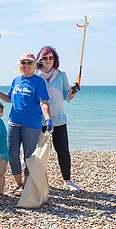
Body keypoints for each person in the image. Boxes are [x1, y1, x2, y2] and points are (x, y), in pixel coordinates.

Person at [0, 53, 52, 193]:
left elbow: (43, 103)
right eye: (23, 63)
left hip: (31, 124)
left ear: (35, 65)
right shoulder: (16, 80)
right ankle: (19, 184)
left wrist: (48, 119)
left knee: (28, 156)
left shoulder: (38, 82)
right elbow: (9, 98)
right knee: (12, 154)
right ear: (20, 65)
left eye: (29, 63)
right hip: (13, 123)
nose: (26, 65)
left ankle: (27, 185)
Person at [35, 46, 80, 191]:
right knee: (39, 153)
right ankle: (39, 181)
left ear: (55, 60)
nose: (48, 61)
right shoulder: (35, 76)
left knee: (63, 151)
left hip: (59, 121)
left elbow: (67, 96)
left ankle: (67, 181)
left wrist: (74, 91)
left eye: (50, 58)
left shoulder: (61, 75)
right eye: (45, 58)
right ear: (40, 60)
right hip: (39, 122)